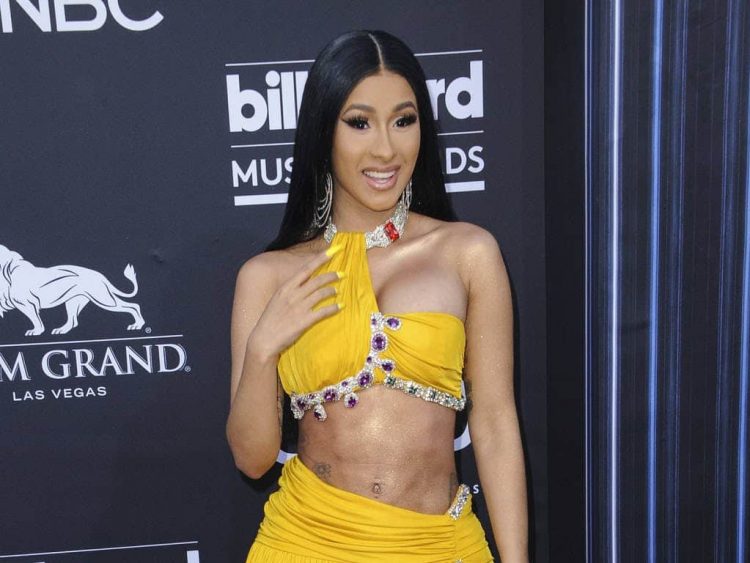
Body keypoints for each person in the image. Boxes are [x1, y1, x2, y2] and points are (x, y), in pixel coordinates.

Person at [226, 29, 528, 563]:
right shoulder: (269, 276)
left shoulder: (468, 253)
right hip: (306, 542)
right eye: (359, 122)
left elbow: (496, 424)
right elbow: (253, 460)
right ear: (324, 131)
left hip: (438, 547)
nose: (386, 148)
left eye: (403, 121)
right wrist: (262, 349)